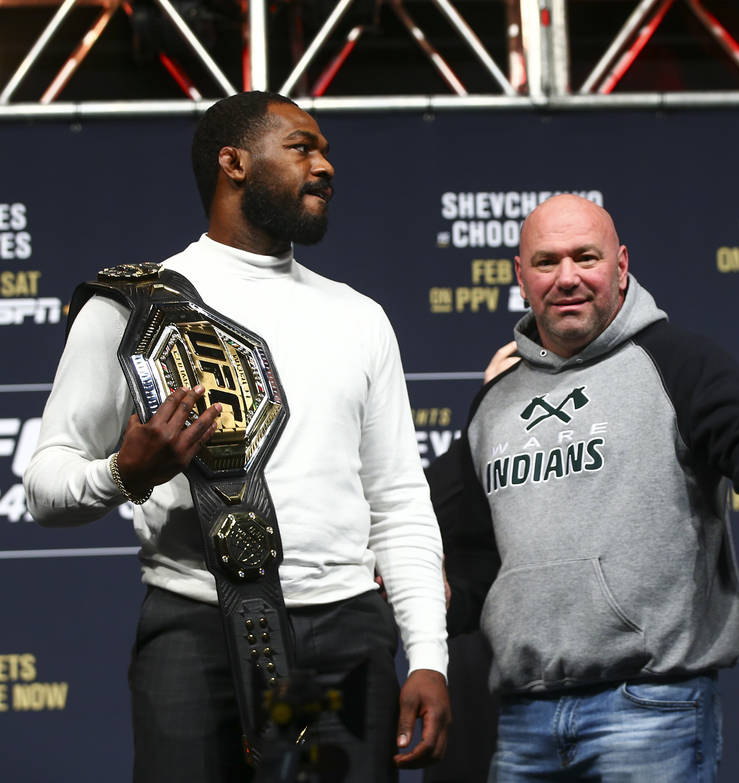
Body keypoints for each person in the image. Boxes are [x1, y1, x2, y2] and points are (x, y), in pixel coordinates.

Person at [24, 91, 449, 782]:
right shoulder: (128, 307)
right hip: (197, 630)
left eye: (327, 151)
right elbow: (45, 488)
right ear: (234, 163)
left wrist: (428, 654)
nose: (325, 165)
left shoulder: (359, 317)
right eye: (303, 147)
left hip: (344, 633)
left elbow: (399, 501)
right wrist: (124, 473)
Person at [447, 193, 739, 781]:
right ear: (520, 278)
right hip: (523, 717)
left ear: (622, 266)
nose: (568, 277)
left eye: (586, 257)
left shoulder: (678, 362)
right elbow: (480, 557)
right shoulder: (494, 402)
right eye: (548, 262)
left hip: (650, 707)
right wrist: (443, 598)